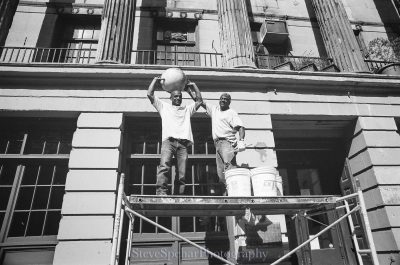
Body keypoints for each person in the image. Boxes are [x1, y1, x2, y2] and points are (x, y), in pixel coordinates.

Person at [147, 76, 203, 195]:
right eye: (176, 96)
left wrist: (193, 86)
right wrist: (155, 81)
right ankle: (161, 191)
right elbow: (150, 94)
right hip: (169, 142)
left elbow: (199, 101)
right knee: (164, 167)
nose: (178, 98)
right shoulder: (164, 107)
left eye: (180, 96)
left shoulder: (186, 109)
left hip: (183, 144)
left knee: (182, 172)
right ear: (171, 97)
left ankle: (179, 194)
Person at [201, 93, 246, 195]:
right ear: (219, 100)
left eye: (226, 99)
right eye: (221, 99)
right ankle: (228, 192)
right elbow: (199, 100)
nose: (223, 100)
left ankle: (235, 194)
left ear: (229, 102)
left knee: (229, 169)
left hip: (226, 143)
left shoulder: (231, 112)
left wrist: (241, 141)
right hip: (217, 144)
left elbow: (241, 127)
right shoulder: (215, 110)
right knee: (221, 173)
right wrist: (190, 89)